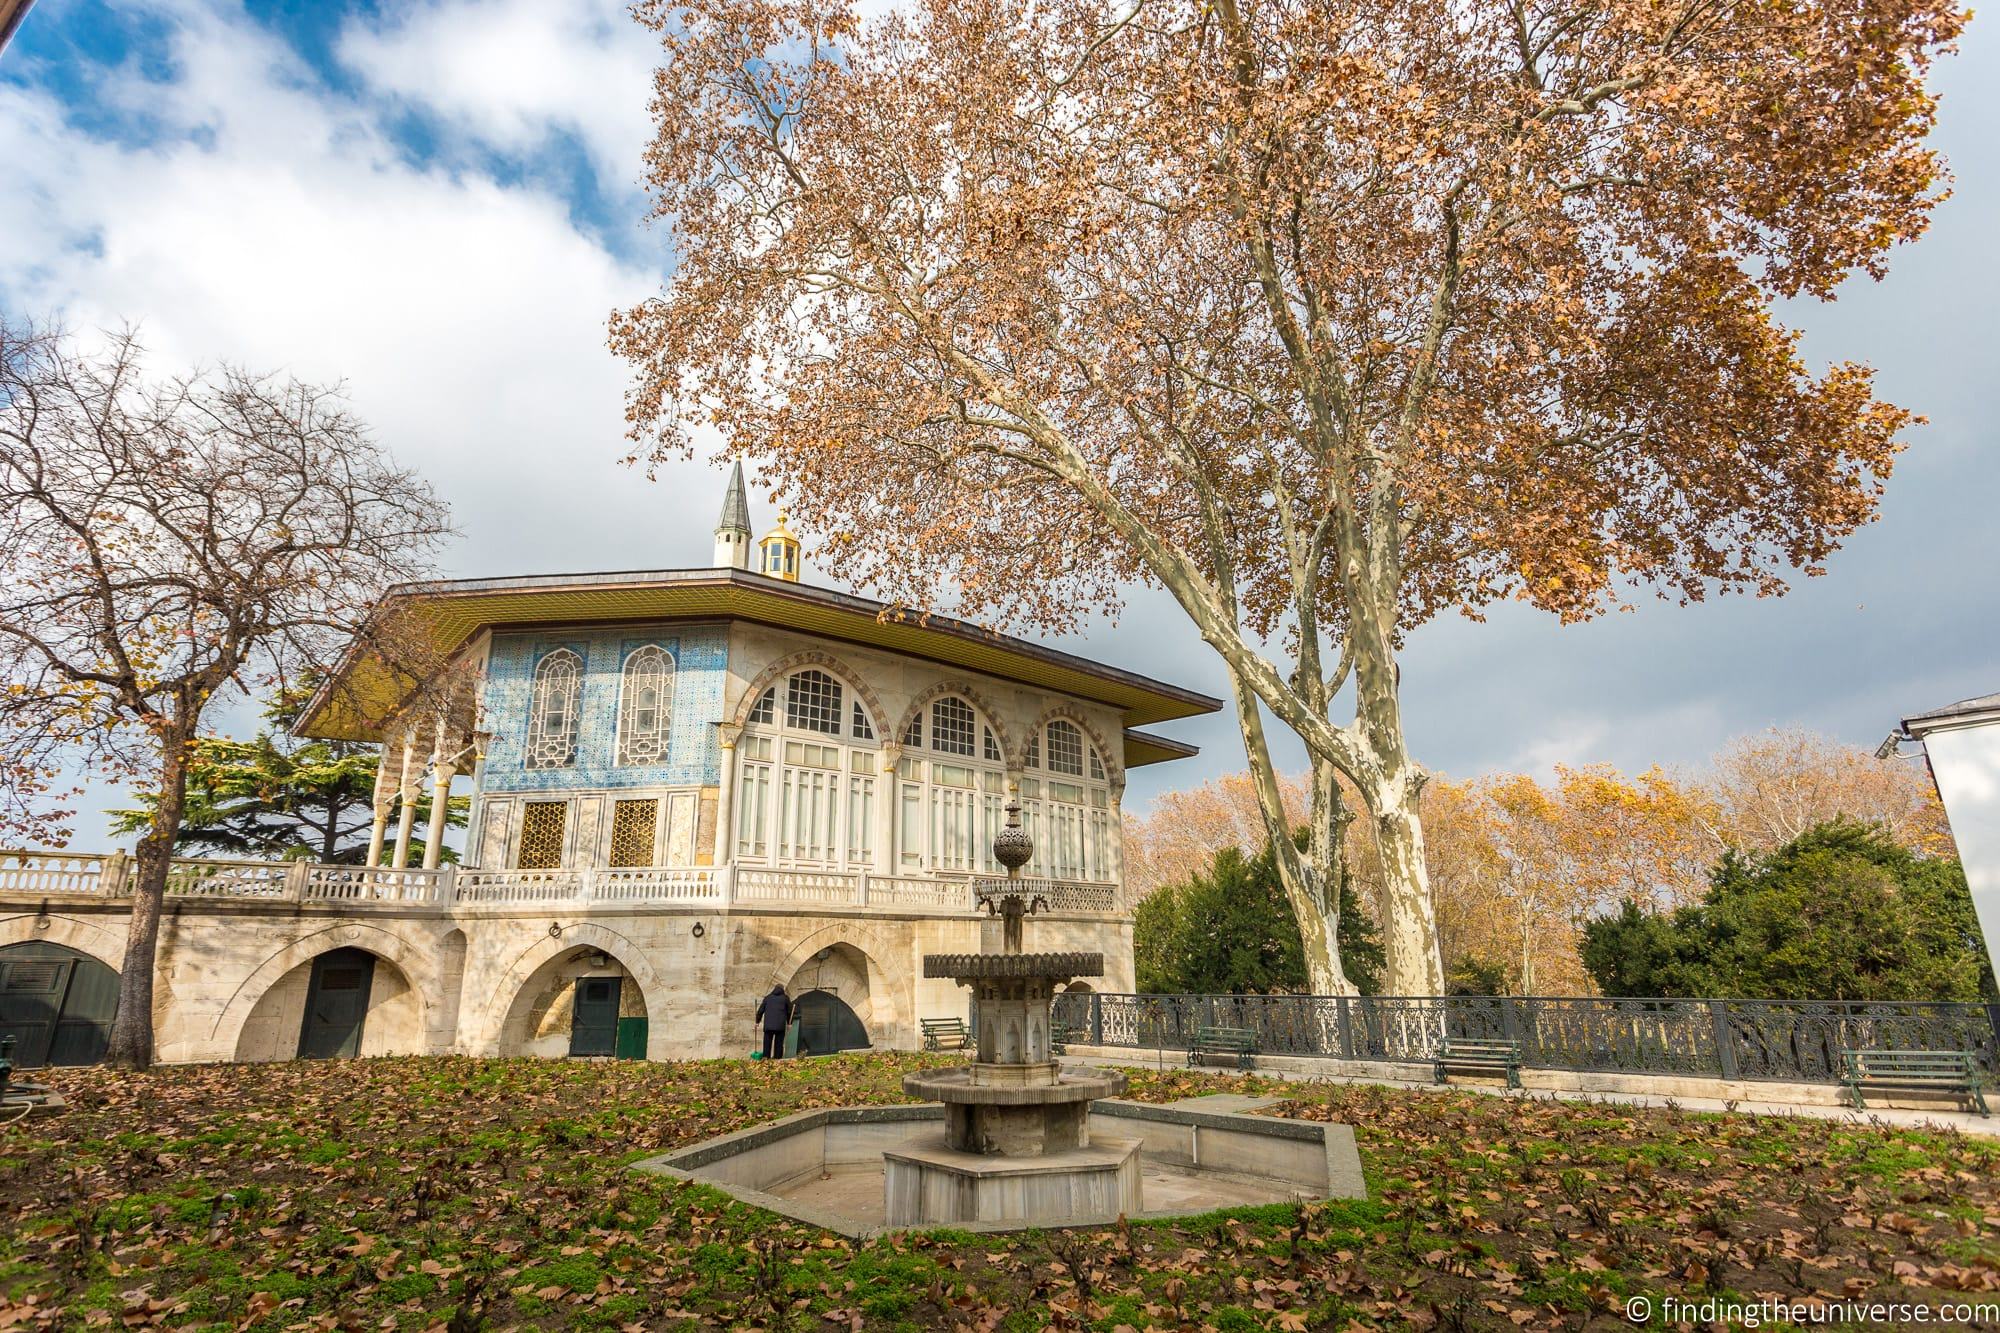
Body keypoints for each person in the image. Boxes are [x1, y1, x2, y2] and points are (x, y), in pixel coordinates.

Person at [754, 983, 792, 1060]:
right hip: (780, 1026)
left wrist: (757, 1022)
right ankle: (777, 1059)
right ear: (783, 989)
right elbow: (789, 1012)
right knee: (779, 1044)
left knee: (767, 1043)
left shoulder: (767, 998)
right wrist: (789, 1023)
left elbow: (760, 1011)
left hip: (768, 1026)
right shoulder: (785, 998)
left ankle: (766, 1059)